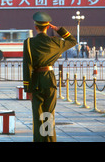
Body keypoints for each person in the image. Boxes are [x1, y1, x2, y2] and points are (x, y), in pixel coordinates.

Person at [23, 11, 76, 142]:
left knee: (38, 115)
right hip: (50, 80)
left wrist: (27, 89)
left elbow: (27, 66)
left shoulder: (29, 43)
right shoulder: (56, 42)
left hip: (35, 81)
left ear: (36, 27)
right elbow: (72, 41)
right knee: (49, 114)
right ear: (47, 27)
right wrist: (59, 30)